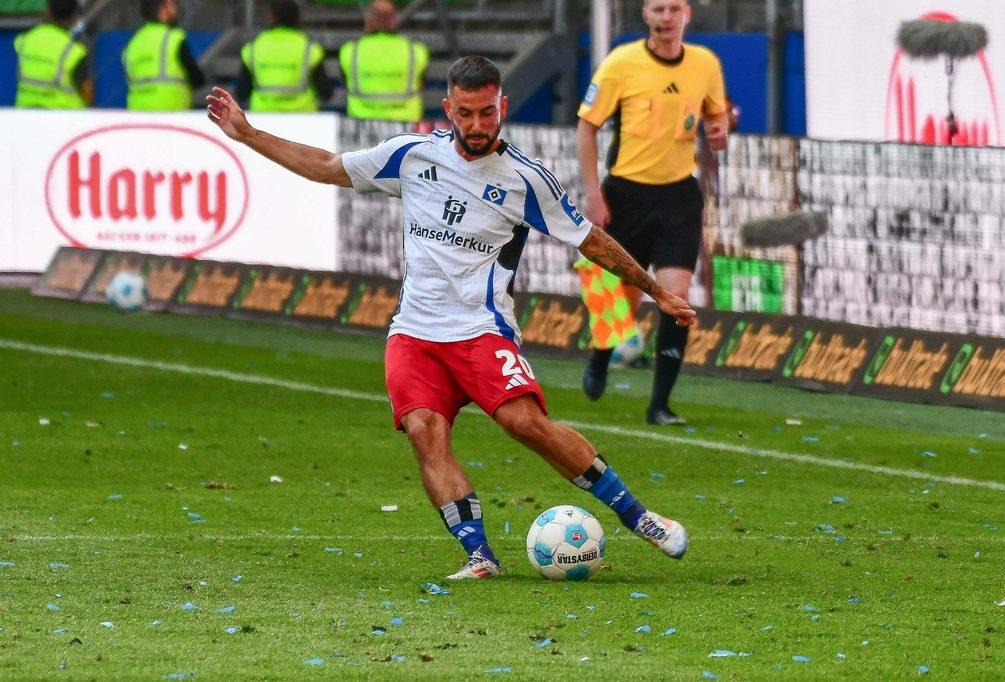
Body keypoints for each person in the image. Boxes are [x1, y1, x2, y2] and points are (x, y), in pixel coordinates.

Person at [206, 55, 696, 580]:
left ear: (502, 106)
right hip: (413, 332)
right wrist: (248, 134)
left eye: (487, 112)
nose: (477, 125)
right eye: (466, 113)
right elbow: (327, 166)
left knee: (524, 423)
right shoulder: (411, 156)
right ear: (448, 109)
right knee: (424, 431)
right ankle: (480, 556)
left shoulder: (526, 180)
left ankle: (639, 517)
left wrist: (656, 292)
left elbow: (590, 241)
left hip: (481, 330)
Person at [577, 0, 729, 426]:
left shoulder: (705, 64)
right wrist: (593, 194)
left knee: (676, 298)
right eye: (658, 9)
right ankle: (601, 356)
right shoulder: (621, 63)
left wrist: (720, 131)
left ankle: (660, 405)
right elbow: (587, 127)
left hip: (679, 196)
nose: (666, 17)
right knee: (620, 301)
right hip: (626, 196)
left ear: (687, 14)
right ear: (645, 14)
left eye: (674, 9)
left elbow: (717, 115)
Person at [338, 0, 429, 122]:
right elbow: (421, 83)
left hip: (362, 122)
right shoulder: (416, 50)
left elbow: (346, 83)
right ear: (394, 21)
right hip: (406, 123)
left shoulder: (350, 50)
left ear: (368, 20)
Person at [236, 0, 332, 112]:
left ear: (271, 17)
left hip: (263, 115)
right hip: (303, 116)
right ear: (297, 18)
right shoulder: (311, 48)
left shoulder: (252, 48)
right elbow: (326, 93)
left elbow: (242, 93)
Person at [123, 0, 205, 111]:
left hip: (137, 110)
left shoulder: (133, 43)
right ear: (163, 9)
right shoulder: (173, 38)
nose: (175, 10)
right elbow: (197, 79)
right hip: (170, 109)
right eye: (173, 5)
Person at [13, 0, 92, 109]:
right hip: (65, 115)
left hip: (26, 113)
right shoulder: (74, 51)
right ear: (74, 16)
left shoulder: (26, 39)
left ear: (47, 11)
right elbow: (88, 92)